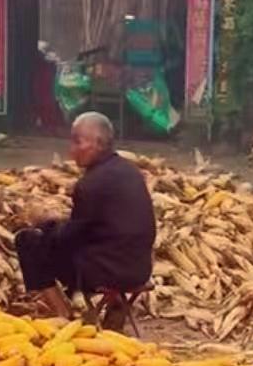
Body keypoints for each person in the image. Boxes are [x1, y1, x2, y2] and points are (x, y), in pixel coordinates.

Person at [15, 112, 155, 325]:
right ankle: (116, 307)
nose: (72, 151)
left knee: (28, 241)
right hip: (139, 270)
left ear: (99, 143)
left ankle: (64, 315)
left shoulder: (91, 183)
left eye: (77, 141)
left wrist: (46, 227)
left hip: (106, 273)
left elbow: (72, 238)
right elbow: (101, 227)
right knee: (63, 242)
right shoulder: (131, 172)